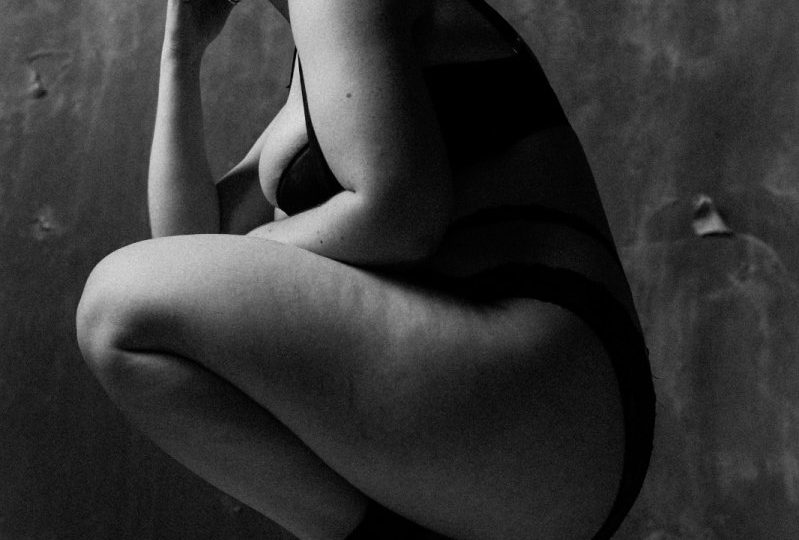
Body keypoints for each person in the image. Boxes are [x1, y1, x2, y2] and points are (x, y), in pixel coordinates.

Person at [75, 0, 655, 538]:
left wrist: (253, 247)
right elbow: (188, 251)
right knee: (131, 305)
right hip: (554, 416)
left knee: (116, 304)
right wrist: (181, 53)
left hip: (543, 374)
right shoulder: (321, 56)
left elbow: (400, 215)